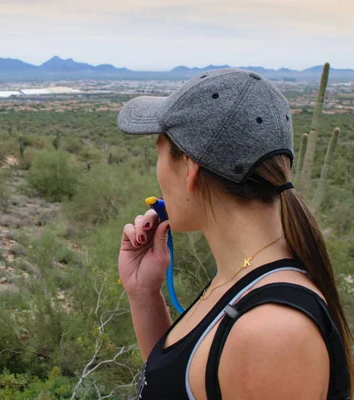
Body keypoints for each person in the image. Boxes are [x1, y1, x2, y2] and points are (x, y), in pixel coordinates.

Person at [116, 68, 352, 399]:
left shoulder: (271, 333)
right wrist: (143, 293)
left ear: (189, 168)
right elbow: (175, 386)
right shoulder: (243, 276)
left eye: (159, 153)